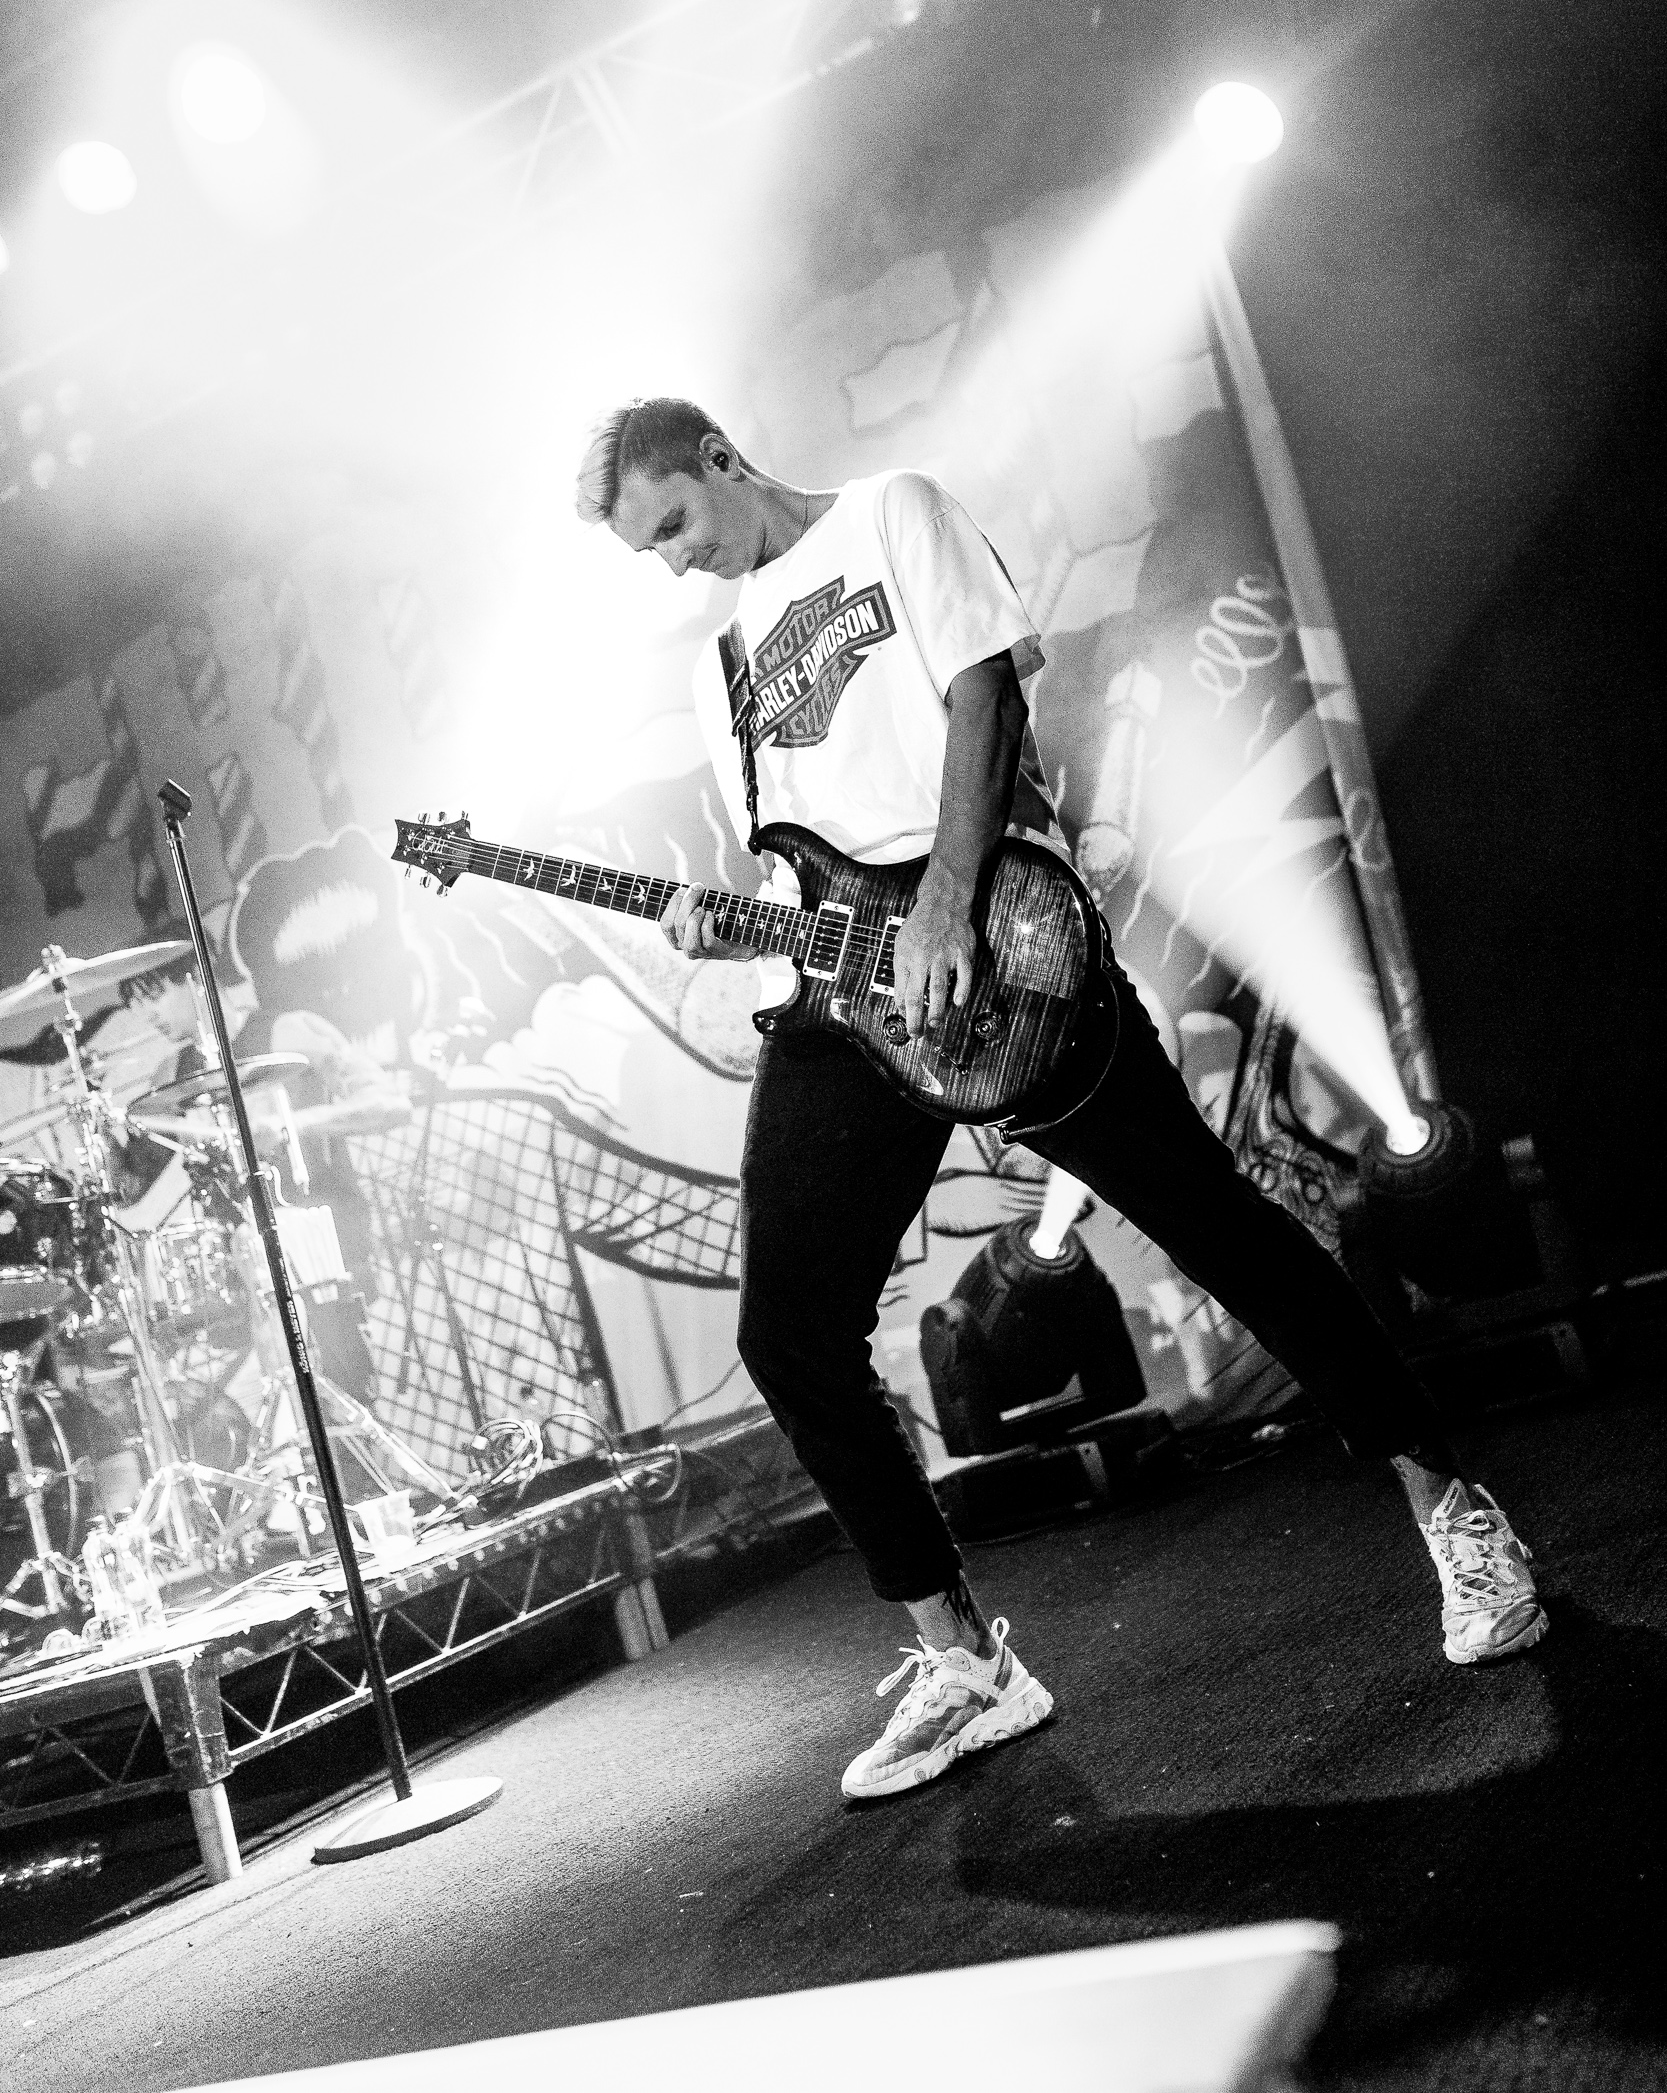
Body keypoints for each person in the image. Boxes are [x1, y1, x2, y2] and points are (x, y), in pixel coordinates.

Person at [576, 394, 1548, 1803]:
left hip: (1007, 942)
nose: (674, 562)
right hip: (862, 1008)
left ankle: (1456, 1508)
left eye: (672, 522)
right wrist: (734, 928)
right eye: (648, 552)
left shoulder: (892, 512)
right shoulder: (717, 664)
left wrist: (948, 903)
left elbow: (986, 697)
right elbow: (798, 867)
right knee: (788, 1333)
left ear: (720, 458)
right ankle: (964, 1661)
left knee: (1221, 1229)